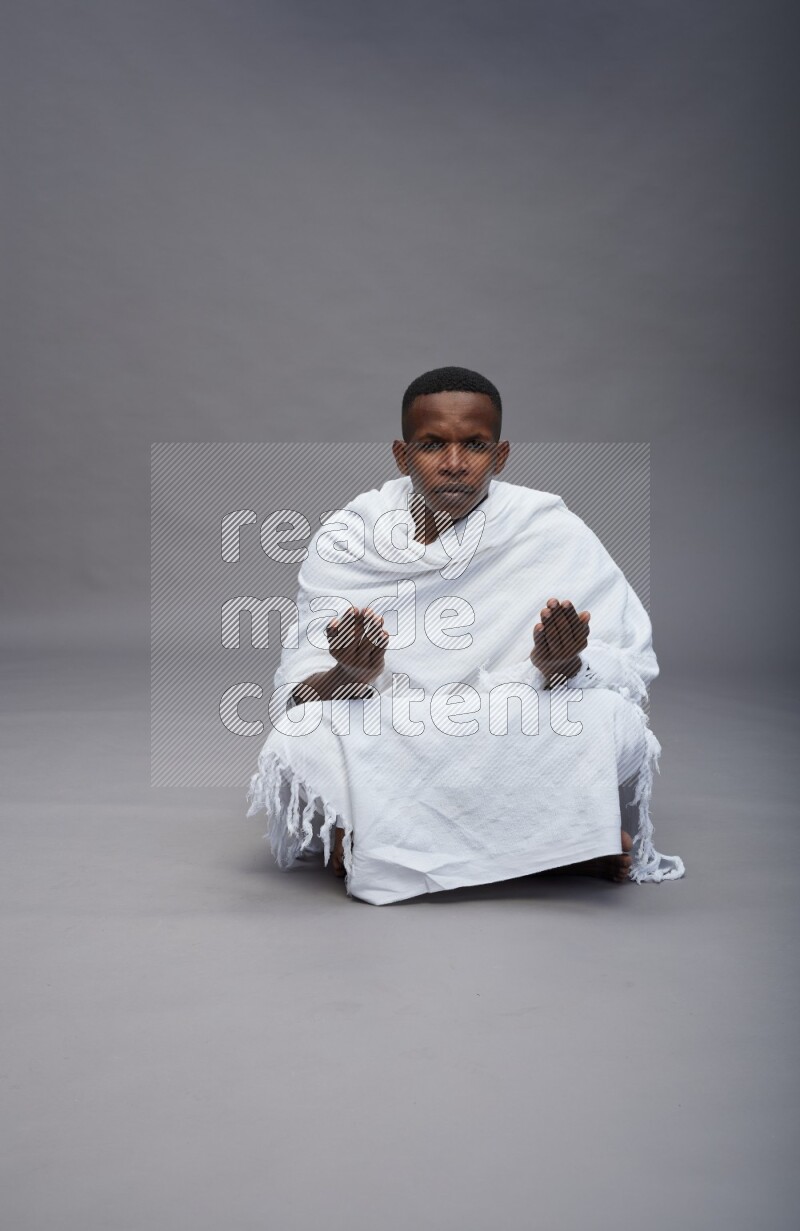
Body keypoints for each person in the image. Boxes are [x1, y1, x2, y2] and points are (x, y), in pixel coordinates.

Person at [248, 366, 684, 904]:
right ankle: (559, 849)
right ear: (402, 455)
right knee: (308, 730)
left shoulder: (549, 529)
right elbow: (296, 695)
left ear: (499, 456)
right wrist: (350, 673)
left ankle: (377, 844)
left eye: (475, 445)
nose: (454, 464)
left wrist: (564, 666)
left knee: (605, 717)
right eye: (432, 445)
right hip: (397, 723)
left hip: (504, 717)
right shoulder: (351, 537)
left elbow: (630, 667)